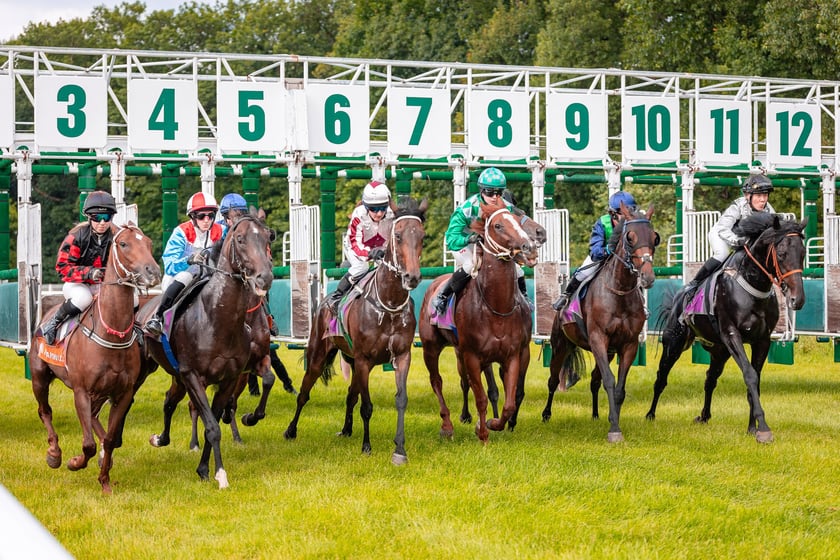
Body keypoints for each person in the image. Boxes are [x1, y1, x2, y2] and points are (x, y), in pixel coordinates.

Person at [432, 167, 527, 316]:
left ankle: (524, 298)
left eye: (499, 192)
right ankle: (443, 296)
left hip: (488, 244)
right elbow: (451, 238)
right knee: (471, 265)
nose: (495, 197)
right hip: (464, 243)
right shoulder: (466, 209)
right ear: (481, 190)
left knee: (518, 269)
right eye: (490, 192)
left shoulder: (505, 207)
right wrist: (468, 239)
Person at [41, 191, 118, 345]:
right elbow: (62, 268)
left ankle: (135, 328)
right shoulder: (76, 236)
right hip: (77, 284)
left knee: (134, 299)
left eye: (106, 217)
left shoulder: (117, 236)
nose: (102, 222)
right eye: (97, 218)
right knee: (84, 298)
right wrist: (90, 273)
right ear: (89, 217)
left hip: (106, 284)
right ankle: (53, 324)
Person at [683, 174, 776, 299]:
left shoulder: (769, 210)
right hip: (721, 234)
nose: (763, 200)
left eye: (765, 195)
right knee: (722, 254)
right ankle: (695, 283)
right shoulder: (737, 206)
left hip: (743, 239)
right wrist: (738, 241)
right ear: (748, 196)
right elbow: (723, 229)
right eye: (759, 195)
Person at [144, 192, 223, 336]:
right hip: (180, 274)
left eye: (210, 216)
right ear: (192, 217)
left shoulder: (221, 231)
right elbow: (170, 265)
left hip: (211, 273)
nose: (206, 220)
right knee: (184, 277)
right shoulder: (180, 232)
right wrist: (189, 260)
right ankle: (158, 318)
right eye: (201, 216)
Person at [553, 190, 637, 310]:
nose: (629, 215)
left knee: (638, 274)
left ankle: (641, 306)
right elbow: (595, 250)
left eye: (632, 211)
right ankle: (566, 296)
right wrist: (606, 250)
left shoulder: (634, 224)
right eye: (624, 212)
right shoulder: (602, 223)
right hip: (602, 257)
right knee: (582, 273)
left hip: (624, 259)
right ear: (613, 214)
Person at [326, 180, 393, 310]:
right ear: (367, 207)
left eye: (382, 208)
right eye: (374, 209)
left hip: (381, 248)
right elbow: (355, 242)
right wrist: (369, 253)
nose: (379, 213)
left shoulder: (392, 214)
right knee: (361, 267)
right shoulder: (358, 214)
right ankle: (337, 296)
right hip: (355, 246)